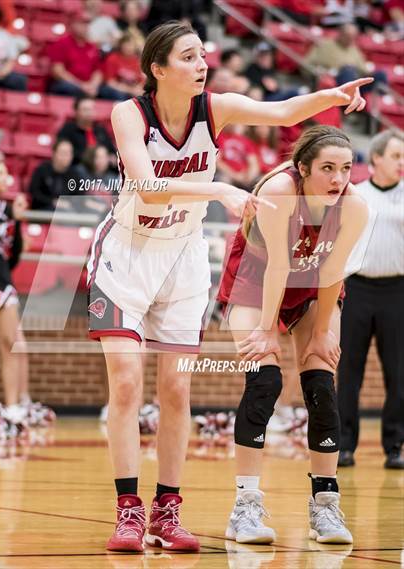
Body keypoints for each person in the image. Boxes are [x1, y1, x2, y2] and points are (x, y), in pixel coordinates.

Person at [86, 20, 371, 553]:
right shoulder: (129, 113)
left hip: (184, 258)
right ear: (159, 67)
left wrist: (330, 96)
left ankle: (167, 512)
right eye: (190, 58)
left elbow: (283, 113)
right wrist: (218, 188)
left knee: (176, 389)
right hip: (128, 256)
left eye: (204, 56)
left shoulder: (212, 109)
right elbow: (147, 190)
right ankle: (127, 510)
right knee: (126, 384)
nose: (203, 66)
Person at [217, 125, 369, 545]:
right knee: (265, 379)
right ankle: (244, 506)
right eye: (327, 169)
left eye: (345, 168)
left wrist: (320, 333)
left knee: (321, 382)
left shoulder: (355, 207)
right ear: (303, 169)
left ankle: (325, 505)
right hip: (254, 279)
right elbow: (278, 269)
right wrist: (267, 331)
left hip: (312, 288)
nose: (338, 179)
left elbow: (333, 272)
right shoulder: (281, 191)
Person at [337, 129, 404, 470]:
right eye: (395, 156)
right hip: (357, 289)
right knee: (349, 371)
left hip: (397, 291)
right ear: (376, 158)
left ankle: (395, 446)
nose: (401, 162)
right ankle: (344, 445)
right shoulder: (355, 195)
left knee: (399, 371)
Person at [0, 159, 29, 423]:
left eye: (7, 172)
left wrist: (20, 221)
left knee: (9, 344)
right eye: (0, 172)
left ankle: (12, 408)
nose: (6, 177)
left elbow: (14, 252)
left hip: (1, 279)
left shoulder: (9, 211)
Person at [56, 96, 115, 165]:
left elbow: (111, 150)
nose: (89, 113)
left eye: (91, 109)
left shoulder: (100, 130)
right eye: (85, 110)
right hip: (78, 168)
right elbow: (66, 152)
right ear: (77, 111)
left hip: (104, 171)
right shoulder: (68, 129)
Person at [0, 3, 27, 91]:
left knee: (19, 80)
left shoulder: (5, 35)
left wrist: (4, 71)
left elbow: (11, 59)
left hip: (2, 71)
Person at [28, 139, 78, 211]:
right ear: (54, 153)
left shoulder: (74, 175)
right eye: (63, 153)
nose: (66, 157)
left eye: (69, 153)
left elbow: (79, 197)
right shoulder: (42, 170)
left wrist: (68, 204)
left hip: (67, 213)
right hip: (42, 210)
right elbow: (34, 192)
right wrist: (52, 202)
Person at [103, 32, 145, 100]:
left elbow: (142, 81)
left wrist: (138, 89)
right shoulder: (113, 58)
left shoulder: (138, 60)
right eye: (126, 45)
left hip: (133, 89)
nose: (128, 48)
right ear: (121, 46)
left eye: (131, 45)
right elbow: (110, 82)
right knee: (120, 95)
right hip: (118, 89)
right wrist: (130, 90)